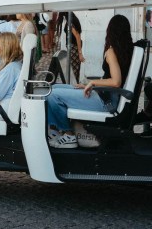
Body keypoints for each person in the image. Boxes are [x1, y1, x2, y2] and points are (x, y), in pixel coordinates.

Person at [47, 14, 134, 149]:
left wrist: (93, 83)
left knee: (52, 95)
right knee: (56, 88)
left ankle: (68, 134)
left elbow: (116, 81)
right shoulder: (126, 50)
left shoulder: (112, 52)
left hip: (106, 101)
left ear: (110, 30)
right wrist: (89, 85)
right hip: (107, 96)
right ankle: (57, 130)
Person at [56, 12, 85, 81]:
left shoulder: (71, 21)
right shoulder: (72, 19)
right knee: (74, 71)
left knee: (74, 72)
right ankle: (74, 87)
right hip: (73, 48)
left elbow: (77, 36)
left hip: (73, 48)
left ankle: (74, 88)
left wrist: (80, 53)